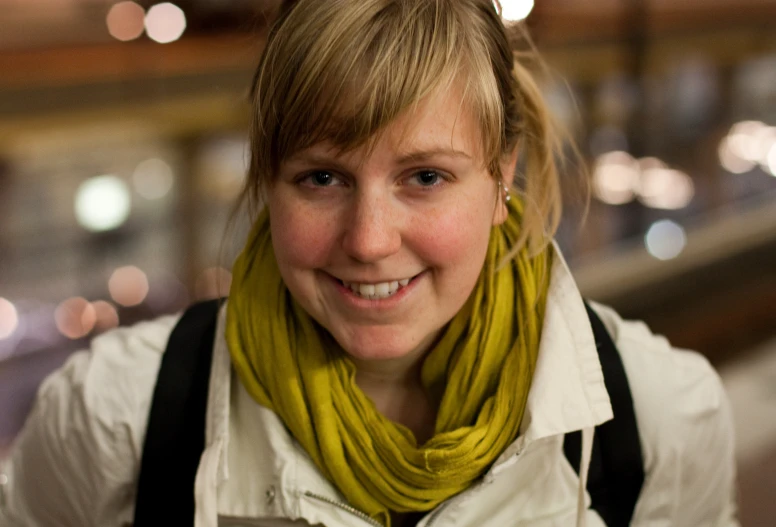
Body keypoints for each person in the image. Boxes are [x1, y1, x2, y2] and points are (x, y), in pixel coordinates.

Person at [0, 0, 738, 526]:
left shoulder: (659, 417)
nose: (369, 240)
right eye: (322, 177)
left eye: (425, 177)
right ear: (268, 182)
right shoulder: (113, 418)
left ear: (502, 175)